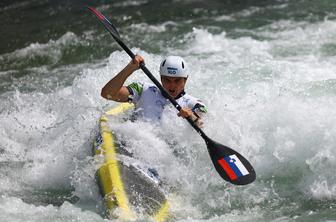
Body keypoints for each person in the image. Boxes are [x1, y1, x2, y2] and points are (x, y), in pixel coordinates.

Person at [101, 55, 207, 127]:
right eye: (167, 79)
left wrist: (192, 117)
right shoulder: (142, 89)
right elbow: (107, 94)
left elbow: (204, 126)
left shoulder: (194, 103)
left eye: (177, 80)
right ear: (160, 78)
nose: (172, 85)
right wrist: (130, 68)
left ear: (185, 79)